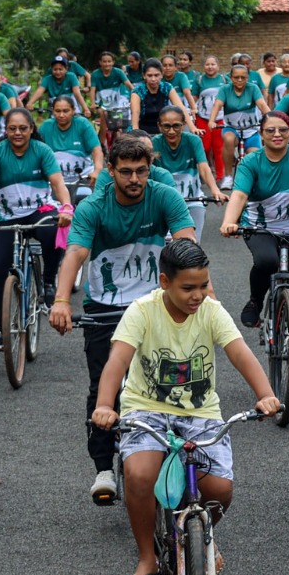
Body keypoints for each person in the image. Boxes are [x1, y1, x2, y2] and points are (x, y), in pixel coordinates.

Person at [90, 239, 282, 575]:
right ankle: (147, 557)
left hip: (199, 411)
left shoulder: (211, 311)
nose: (198, 295)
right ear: (164, 281)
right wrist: (105, 404)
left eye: (204, 285)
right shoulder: (142, 311)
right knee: (140, 474)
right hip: (146, 408)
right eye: (188, 288)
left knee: (220, 491)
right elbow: (117, 361)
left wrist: (266, 394)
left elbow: (240, 354)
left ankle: (201, 535)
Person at [50, 137, 197, 504]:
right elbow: (76, 252)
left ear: (150, 169)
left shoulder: (164, 196)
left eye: (141, 171)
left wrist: (201, 291)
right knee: (104, 386)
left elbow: (186, 243)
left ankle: (174, 450)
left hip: (156, 306)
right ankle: (103, 466)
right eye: (126, 171)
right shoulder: (94, 207)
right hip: (106, 308)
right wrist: (62, 300)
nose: (134, 178)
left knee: (172, 377)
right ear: (111, 171)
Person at [220, 111, 289, 382]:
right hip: (261, 228)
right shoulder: (251, 162)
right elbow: (240, 194)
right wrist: (229, 221)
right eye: (270, 130)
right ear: (262, 133)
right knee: (267, 261)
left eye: (282, 129)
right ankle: (256, 300)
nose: (277, 135)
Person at [0, 108, 73, 352]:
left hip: (40, 210)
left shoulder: (41, 151)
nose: (17, 133)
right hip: (7, 216)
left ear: (31, 129)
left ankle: (47, 282)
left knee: (50, 230)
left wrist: (66, 207)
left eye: (23, 128)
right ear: (5, 130)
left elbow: (57, 183)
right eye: (12, 128)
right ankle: (0, 331)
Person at [152, 105, 225, 239]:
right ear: (159, 126)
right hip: (165, 204)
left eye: (177, 126)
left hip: (193, 201)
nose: (172, 131)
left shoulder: (193, 140)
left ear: (184, 124)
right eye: (166, 126)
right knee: (164, 246)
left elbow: (204, 167)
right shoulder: (154, 144)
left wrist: (215, 190)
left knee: (192, 246)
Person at [209, 61, 270, 187]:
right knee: (228, 139)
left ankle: (254, 179)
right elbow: (217, 105)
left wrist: (271, 118)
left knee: (255, 155)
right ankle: (228, 176)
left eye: (243, 77)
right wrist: (212, 120)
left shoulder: (253, 88)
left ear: (247, 78)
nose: (240, 80)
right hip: (232, 128)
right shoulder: (225, 89)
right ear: (231, 78)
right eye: (236, 77)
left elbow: (262, 105)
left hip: (251, 129)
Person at [38, 94, 104, 204]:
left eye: (66, 111)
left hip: (83, 179)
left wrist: (97, 171)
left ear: (73, 110)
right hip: (55, 181)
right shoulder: (46, 127)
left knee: (86, 206)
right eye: (57, 111)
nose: (61, 115)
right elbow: (36, 153)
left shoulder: (82, 124)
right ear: (52, 111)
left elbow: (96, 150)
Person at [191, 55, 228, 186]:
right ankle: (204, 171)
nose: (210, 67)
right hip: (203, 118)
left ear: (218, 66)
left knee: (219, 148)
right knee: (205, 147)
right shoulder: (199, 80)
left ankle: (220, 176)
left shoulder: (224, 80)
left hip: (220, 119)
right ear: (204, 67)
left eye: (213, 64)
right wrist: (191, 111)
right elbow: (193, 98)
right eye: (207, 64)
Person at [132, 56, 189, 135]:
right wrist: (136, 134)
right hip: (143, 131)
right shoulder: (137, 91)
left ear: (162, 74)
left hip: (164, 131)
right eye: (150, 75)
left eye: (156, 75)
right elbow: (135, 113)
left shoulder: (166, 87)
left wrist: (192, 127)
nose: (153, 79)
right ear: (144, 75)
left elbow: (180, 107)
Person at [89, 50, 135, 148]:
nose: (107, 64)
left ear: (113, 62)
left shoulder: (118, 72)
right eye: (104, 61)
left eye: (109, 61)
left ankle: (123, 143)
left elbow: (129, 86)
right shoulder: (96, 74)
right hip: (102, 103)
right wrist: (92, 103)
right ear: (100, 62)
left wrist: (135, 97)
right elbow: (92, 90)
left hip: (116, 104)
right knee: (103, 115)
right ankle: (102, 145)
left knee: (122, 123)